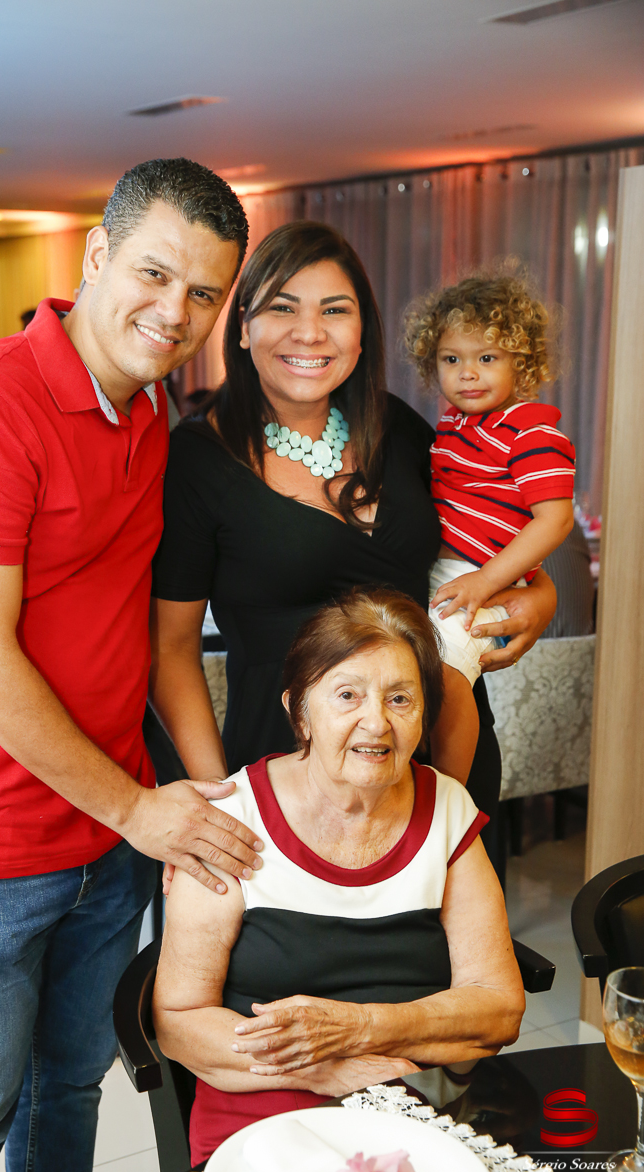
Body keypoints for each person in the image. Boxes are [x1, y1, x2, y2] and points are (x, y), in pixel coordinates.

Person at [0, 158, 264, 1172]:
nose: (174, 313)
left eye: (203, 294)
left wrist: (160, 807)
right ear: (96, 256)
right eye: (153, 274)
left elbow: (141, 628)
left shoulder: (146, 413)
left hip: (106, 838)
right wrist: (138, 809)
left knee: (70, 1092)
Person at [149, 222, 557, 877]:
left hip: (439, 750)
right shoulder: (198, 460)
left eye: (334, 311)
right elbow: (170, 651)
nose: (310, 333)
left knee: (456, 938)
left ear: (362, 331)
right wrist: (220, 800)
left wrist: (542, 595)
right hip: (288, 774)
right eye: (283, 308)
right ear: (243, 326)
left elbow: (494, 528)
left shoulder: (396, 427)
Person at [153, 588, 525, 1164]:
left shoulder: (447, 809)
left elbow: (499, 1008)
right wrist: (320, 1067)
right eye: (347, 695)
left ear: (424, 716)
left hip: (419, 1107)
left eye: (400, 699)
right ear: (299, 712)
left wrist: (359, 1029)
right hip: (263, 1113)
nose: (375, 722)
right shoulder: (231, 821)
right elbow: (179, 1021)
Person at [403, 272, 575, 781]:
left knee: (448, 669)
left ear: (521, 362)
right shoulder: (451, 428)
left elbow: (556, 519)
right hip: (446, 573)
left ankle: (451, 796)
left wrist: (487, 580)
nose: (468, 374)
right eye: (451, 359)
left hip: (485, 576)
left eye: (486, 358)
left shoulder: (531, 430)